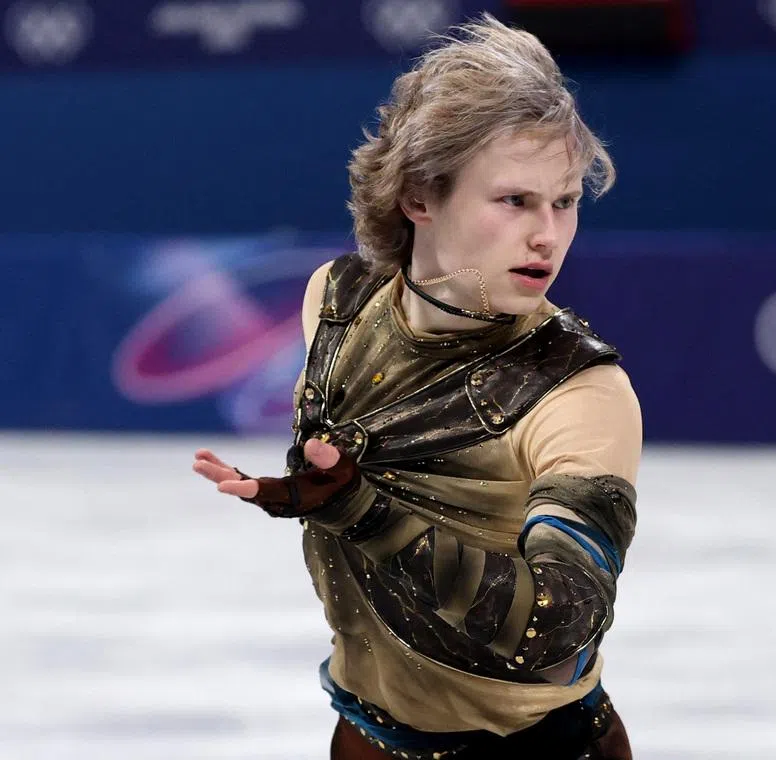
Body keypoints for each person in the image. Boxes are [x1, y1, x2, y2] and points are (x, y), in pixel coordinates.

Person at [191, 13, 640, 760]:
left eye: (564, 202)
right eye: (515, 201)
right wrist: (298, 494)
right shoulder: (335, 305)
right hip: (364, 733)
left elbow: (559, 627)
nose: (548, 236)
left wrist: (364, 513)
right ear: (420, 198)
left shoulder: (577, 392)